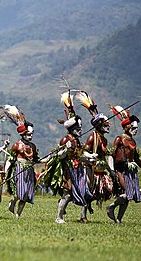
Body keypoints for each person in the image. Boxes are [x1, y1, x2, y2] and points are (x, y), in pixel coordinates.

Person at [50, 90, 94, 224]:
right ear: (72, 128)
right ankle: (59, 217)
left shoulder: (77, 140)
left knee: (84, 191)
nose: (80, 130)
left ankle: (82, 215)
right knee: (67, 194)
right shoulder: (66, 139)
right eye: (78, 128)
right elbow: (59, 155)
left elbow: (79, 155)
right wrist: (66, 149)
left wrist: (90, 156)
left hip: (78, 170)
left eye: (80, 128)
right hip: (68, 170)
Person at [106, 107, 141, 223]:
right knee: (127, 194)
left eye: (136, 129)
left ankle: (119, 219)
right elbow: (111, 154)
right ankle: (111, 206)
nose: (135, 130)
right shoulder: (119, 139)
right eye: (133, 128)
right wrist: (111, 170)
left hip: (131, 170)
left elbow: (137, 159)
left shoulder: (133, 142)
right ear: (126, 127)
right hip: (121, 169)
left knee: (129, 197)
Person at [5, 107, 43, 218]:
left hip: (30, 170)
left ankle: (18, 214)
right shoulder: (17, 145)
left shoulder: (33, 146)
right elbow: (10, 159)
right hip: (20, 169)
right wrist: (6, 171)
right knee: (19, 192)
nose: (31, 136)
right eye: (28, 134)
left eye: (32, 134)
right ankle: (13, 202)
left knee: (26, 194)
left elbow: (36, 160)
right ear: (23, 134)